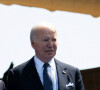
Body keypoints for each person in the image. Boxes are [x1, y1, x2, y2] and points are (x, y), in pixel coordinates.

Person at [7, 22, 85, 90]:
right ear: (33, 43)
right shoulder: (17, 75)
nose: (50, 45)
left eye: (54, 40)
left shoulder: (73, 73)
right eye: (45, 40)